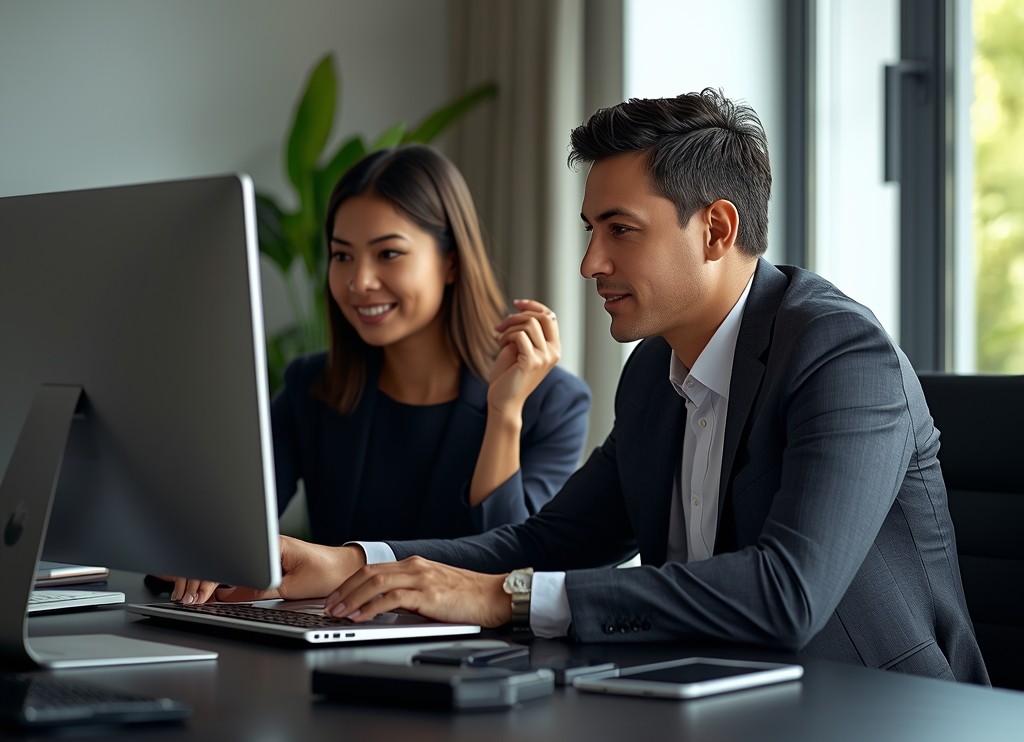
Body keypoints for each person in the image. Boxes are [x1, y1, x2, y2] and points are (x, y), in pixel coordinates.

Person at [201, 91, 989, 685]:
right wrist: (350, 562)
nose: (589, 264)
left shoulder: (838, 353)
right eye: (590, 231)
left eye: (620, 230)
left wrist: (501, 598)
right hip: (708, 696)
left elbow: (787, 594)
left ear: (715, 229)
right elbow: (543, 543)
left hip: (876, 708)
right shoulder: (653, 371)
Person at [168, 145, 591, 601]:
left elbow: (515, 565)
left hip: (474, 654)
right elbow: (228, 531)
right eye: (342, 255)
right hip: (329, 641)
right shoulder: (311, 388)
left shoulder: (555, 402)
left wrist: (505, 411)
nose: (359, 281)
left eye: (388, 254)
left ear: (450, 262)